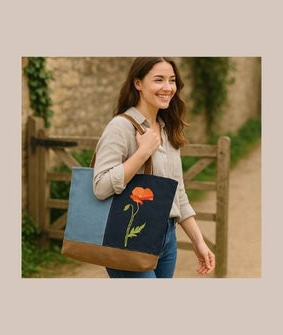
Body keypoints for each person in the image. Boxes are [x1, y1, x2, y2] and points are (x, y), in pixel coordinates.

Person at [92, 57, 216, 278]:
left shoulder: (167, 129)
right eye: (158, 80)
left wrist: (199, 241)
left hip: (167, 238)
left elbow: (177, 192)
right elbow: (100, 187)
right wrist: (142, 153)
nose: (167, 88)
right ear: (138, 83)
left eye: (172, 80)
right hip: (128, 239)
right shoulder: (120, 127)